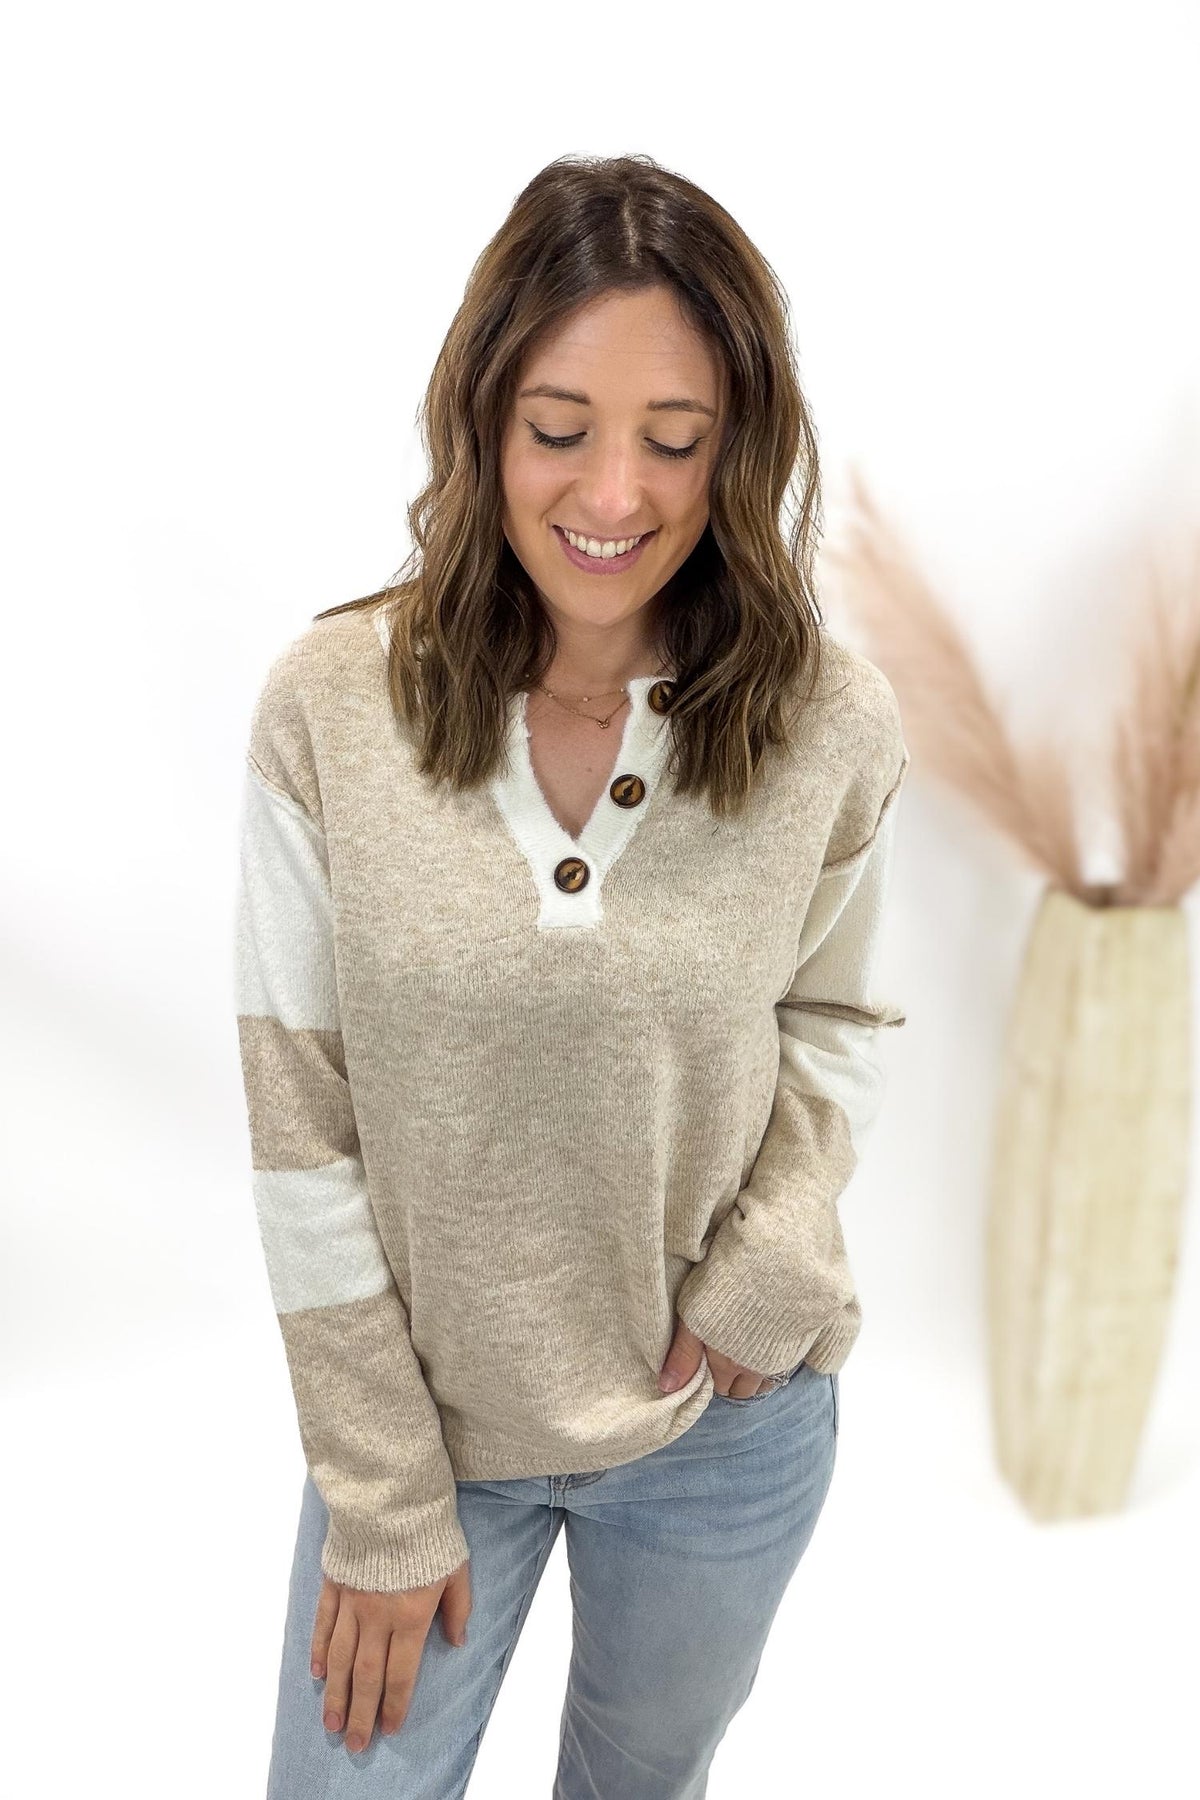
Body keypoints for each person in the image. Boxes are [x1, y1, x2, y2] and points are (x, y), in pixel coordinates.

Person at [233, 151, 909, 1799]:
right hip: (430, 1445)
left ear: (736, 449)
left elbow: (841, 1019)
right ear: (480, 423)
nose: (615, 494)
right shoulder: (332, 706)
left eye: (674, 441)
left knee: (639, 1783)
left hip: (721, 1437)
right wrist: (383, 1499)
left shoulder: (829, 722)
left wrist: (776, 1262)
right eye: (560, 429)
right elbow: (298, 1119)